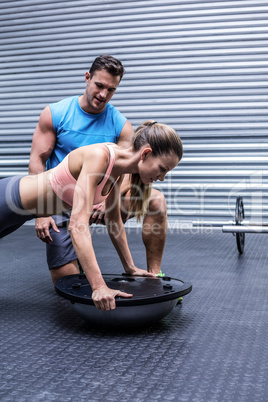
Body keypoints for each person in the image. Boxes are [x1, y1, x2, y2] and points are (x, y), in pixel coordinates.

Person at [0, 121, 183, 311]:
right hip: (8, 199)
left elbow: (113, 221)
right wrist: (99, 286)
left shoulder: (119, 169)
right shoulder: (100, 157)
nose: (162, 178)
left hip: (20, 214)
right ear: (145, 153)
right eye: (162, 169)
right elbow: (77, 225)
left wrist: (131, 268)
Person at [28, 55, 169, 284]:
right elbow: (37, 160)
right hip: (62, 201)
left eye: (111, 90)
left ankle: (155, 275)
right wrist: (41, 212)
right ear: (87, 78)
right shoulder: (56, 113)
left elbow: (128, 170)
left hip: (103, 201)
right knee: (68, 283)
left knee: (156, 200)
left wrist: (105, 199)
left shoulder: (120, 124)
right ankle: (79, 264)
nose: (103, 94)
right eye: (99, 85)